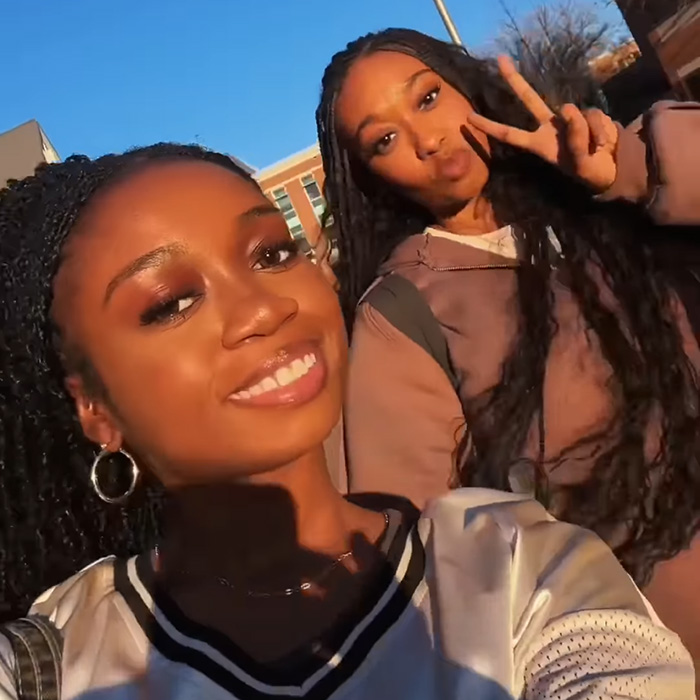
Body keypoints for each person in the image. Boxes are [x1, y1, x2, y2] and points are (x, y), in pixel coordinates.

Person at [0, 145, 693, 699]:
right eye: (172, 302)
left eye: (272, 253)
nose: (264, 308)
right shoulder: (48, 664)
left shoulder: (514, 564)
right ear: (93, 407)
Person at [316, 28, 700, 671]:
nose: (427, 139)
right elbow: (430, 554)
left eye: (429, 98)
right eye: (384, 140)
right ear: (371, 178)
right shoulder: (402, 312)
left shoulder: (601, 185)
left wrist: (630, 171)